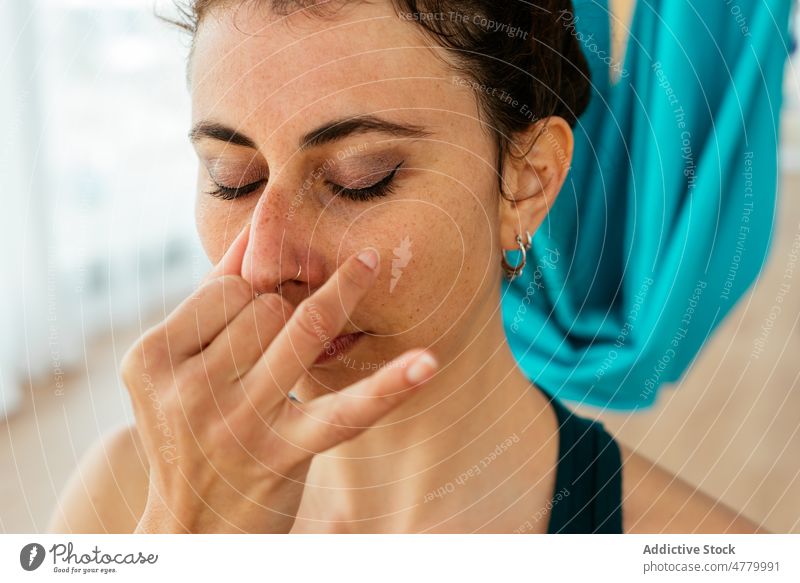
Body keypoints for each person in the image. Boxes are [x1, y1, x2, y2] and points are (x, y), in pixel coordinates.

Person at [48, 0, 765, 534]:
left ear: (529, 180)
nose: (266, 262)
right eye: (231, 175)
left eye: (363, 177)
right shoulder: (128, 497)